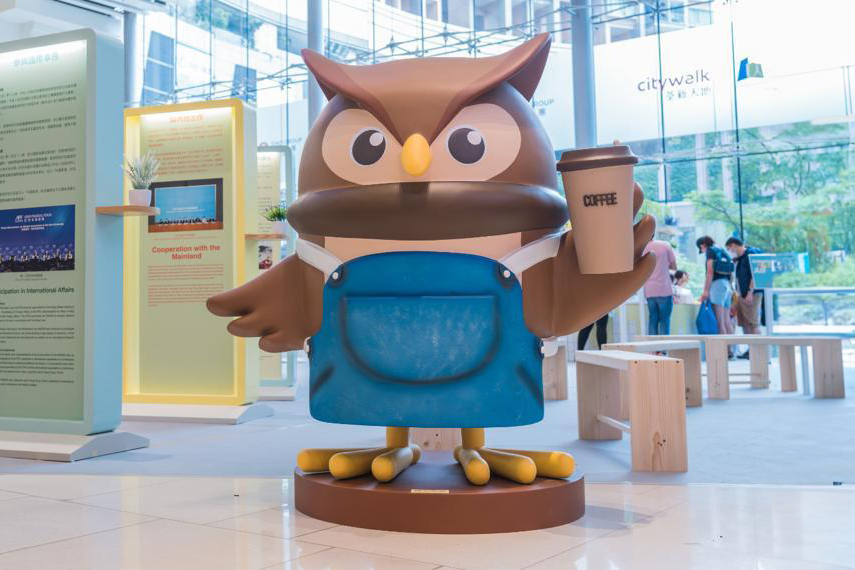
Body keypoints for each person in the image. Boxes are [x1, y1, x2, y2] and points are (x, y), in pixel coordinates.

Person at [726, 236, 764, 356]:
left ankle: (759, 351)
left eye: (729, 248)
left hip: (751, 294)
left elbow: (755, 275)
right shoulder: (741, 258)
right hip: (742, 294)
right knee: (745, 323)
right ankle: (750, 350)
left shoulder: (750, 254)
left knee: (753, 322)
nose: (730, 251)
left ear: (733, 245)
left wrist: (749, 292)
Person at [696, 235, 735, 341]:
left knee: (719, 323)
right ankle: (731, 349)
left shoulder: (711, 251)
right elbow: (731, 272)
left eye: (701, 249)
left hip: (717, 285)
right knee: (727, 322)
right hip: (727, 285)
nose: (702, 251)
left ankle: (722, 350)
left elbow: (710, 272)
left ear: (702, 245)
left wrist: (705, 291)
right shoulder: (722, 250)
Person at [642, 237, 677, 335]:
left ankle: (652, 344)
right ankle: (663, 345)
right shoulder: (665, 245)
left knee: (653, 319)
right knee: (664, 320)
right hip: (664, 289)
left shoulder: (642, 248)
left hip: (649, 290)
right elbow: (674, 267)